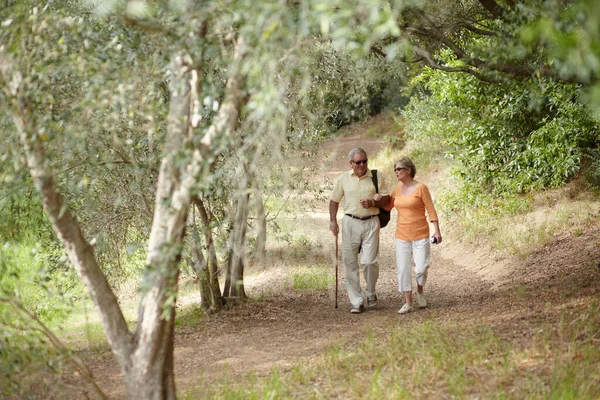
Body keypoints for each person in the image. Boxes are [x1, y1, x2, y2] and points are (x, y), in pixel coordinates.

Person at [374, 156, 442, 314]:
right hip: (401, 235)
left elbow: (430, 209)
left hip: (420, 234)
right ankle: (408, 302)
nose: (396, 172)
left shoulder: (421, 188)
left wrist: (436, 230)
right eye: (395, 170)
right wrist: (376, 201)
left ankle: (420, 291)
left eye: (399, 169)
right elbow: (387, 206)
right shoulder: (397, 189)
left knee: (421, 268)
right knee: (403, 269)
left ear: (409, 170)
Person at [329, 147, 390, 314]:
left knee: (370, 261)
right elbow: (334, 201)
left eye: (364, 161)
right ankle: (356, 301)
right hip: (350, 222)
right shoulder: (343, 179)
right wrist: (333, 221)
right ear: (351, 164)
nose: (362, 165)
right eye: (358, 162)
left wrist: (372, 203)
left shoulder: (376, 177)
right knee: (350, 263)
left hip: (371, 222)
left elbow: (386, 199)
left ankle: (371, 292)